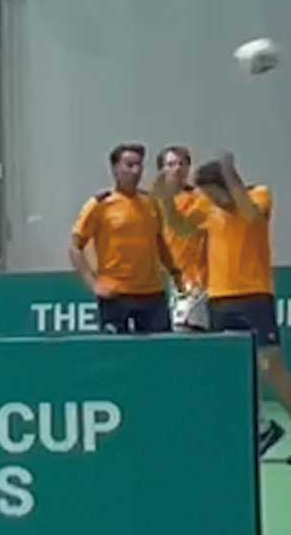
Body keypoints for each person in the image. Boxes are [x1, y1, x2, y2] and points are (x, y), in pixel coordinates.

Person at [157, 151, 290, 457]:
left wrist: (230, 173)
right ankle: (255, 434)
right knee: (232, 372)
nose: (211, 201)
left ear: (226, 186)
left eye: (214, 194)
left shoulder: (259, 195)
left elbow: (250, 214)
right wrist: (165, 199)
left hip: (255, 295)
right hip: (220, 297)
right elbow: (182, 227)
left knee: (271, 368)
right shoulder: (206, 205)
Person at [68, 143, 177, 334]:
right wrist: (94, 284)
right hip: (116, 294)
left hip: (151, 293)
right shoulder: (100, 204)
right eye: (129, 165)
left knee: (160, 353)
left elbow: (159, 241)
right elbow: (75, 247)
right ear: (115, 168)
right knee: (117, 354)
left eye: (139, 166)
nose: (135, 171)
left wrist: (176, 273)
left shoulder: (150, 202)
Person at [155, 145, 209, 332]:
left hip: (192, 283)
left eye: (181, 164)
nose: (177, 168)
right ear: (162, 170)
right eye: (170, 164)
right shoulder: (150, 203)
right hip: (157, 284)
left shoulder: (201, 199)